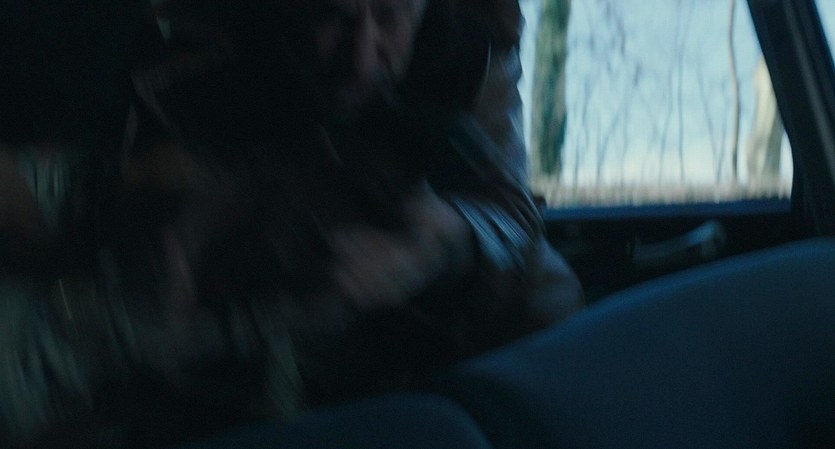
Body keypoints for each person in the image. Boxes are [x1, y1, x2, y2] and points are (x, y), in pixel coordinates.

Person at [0, 0, 583, 446]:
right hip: (140, 324)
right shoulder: (205, 50)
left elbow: (511, 216)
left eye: (388, 17)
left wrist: (444, 242)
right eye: (334, 16)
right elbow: (84, 181)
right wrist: (148, 210)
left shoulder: (463, 61)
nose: (361, 56)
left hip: (352, 352)